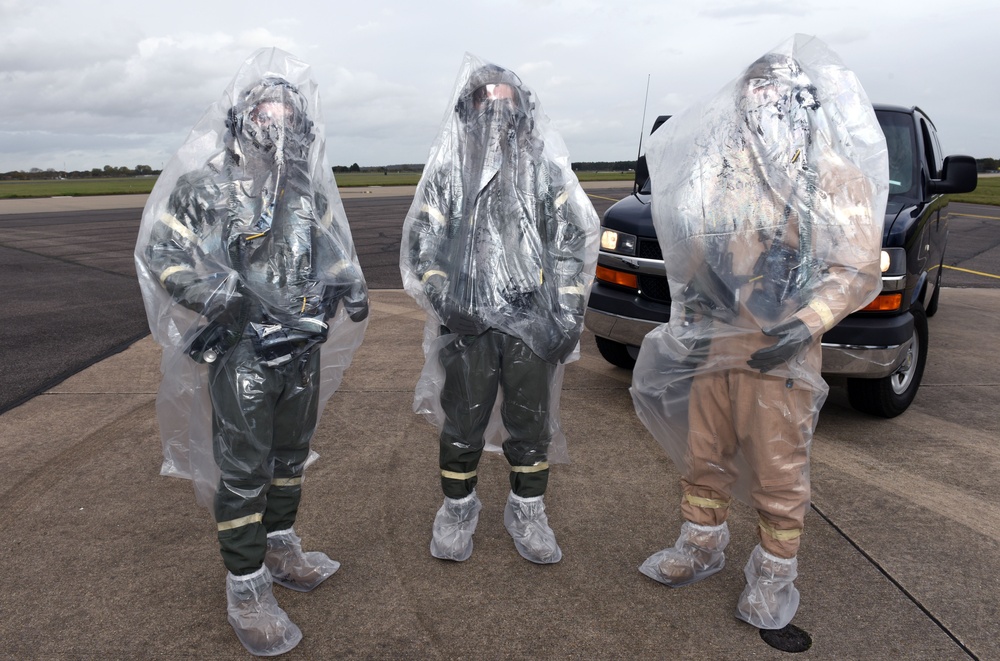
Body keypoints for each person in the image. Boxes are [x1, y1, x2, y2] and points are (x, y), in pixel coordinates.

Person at [630, 35, 888, 635]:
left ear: (803, 104)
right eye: (754, 98)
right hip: (719, 344)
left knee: (778, 468)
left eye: (775, 97)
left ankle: (774, 576)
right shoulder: (725, 176)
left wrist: (803, 327)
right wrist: (695, 310)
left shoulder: (835, 180)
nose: (761, 108)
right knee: (705, 453)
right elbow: (698, 254)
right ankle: (701, 542)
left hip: (782, 352)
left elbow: (856, 271)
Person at [135, 48, 368, 656]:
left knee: (291, 456)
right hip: (243, 354)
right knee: (243, 472)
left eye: (289, 116)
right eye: (266, 114)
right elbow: (163, 255)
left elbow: (330, 245)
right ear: (241, 122)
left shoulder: (302, 190)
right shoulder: (203, 188)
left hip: (301, 348)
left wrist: (348, 279)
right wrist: (214, 291)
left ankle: (283, 546)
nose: (277, 126)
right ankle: (245, 583)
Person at [400, 53, 599, 565]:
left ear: (524, 115)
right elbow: (424, 242)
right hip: (468, 323)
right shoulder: (448, 173)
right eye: (487, 108)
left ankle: (528, 510)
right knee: (462, 423)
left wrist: (569, 315)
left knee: (531, 424)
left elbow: (572, 245)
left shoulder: (545, 173)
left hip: (530, 322)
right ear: (468, 113)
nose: (498, 119)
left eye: (508, 108)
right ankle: (457, 509)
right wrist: (447, 298)